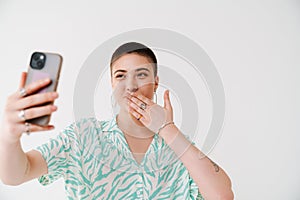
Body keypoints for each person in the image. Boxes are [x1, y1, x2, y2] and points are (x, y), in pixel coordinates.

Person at [0, 42, 234, 199]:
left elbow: (223, 195)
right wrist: (10, 136)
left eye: (141, 75)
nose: (130, 85)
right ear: (112, 84)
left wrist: (168, 130)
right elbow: (16, 174)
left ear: (156, 82)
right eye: (120, 75)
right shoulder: (82, 137)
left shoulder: (178, 146)